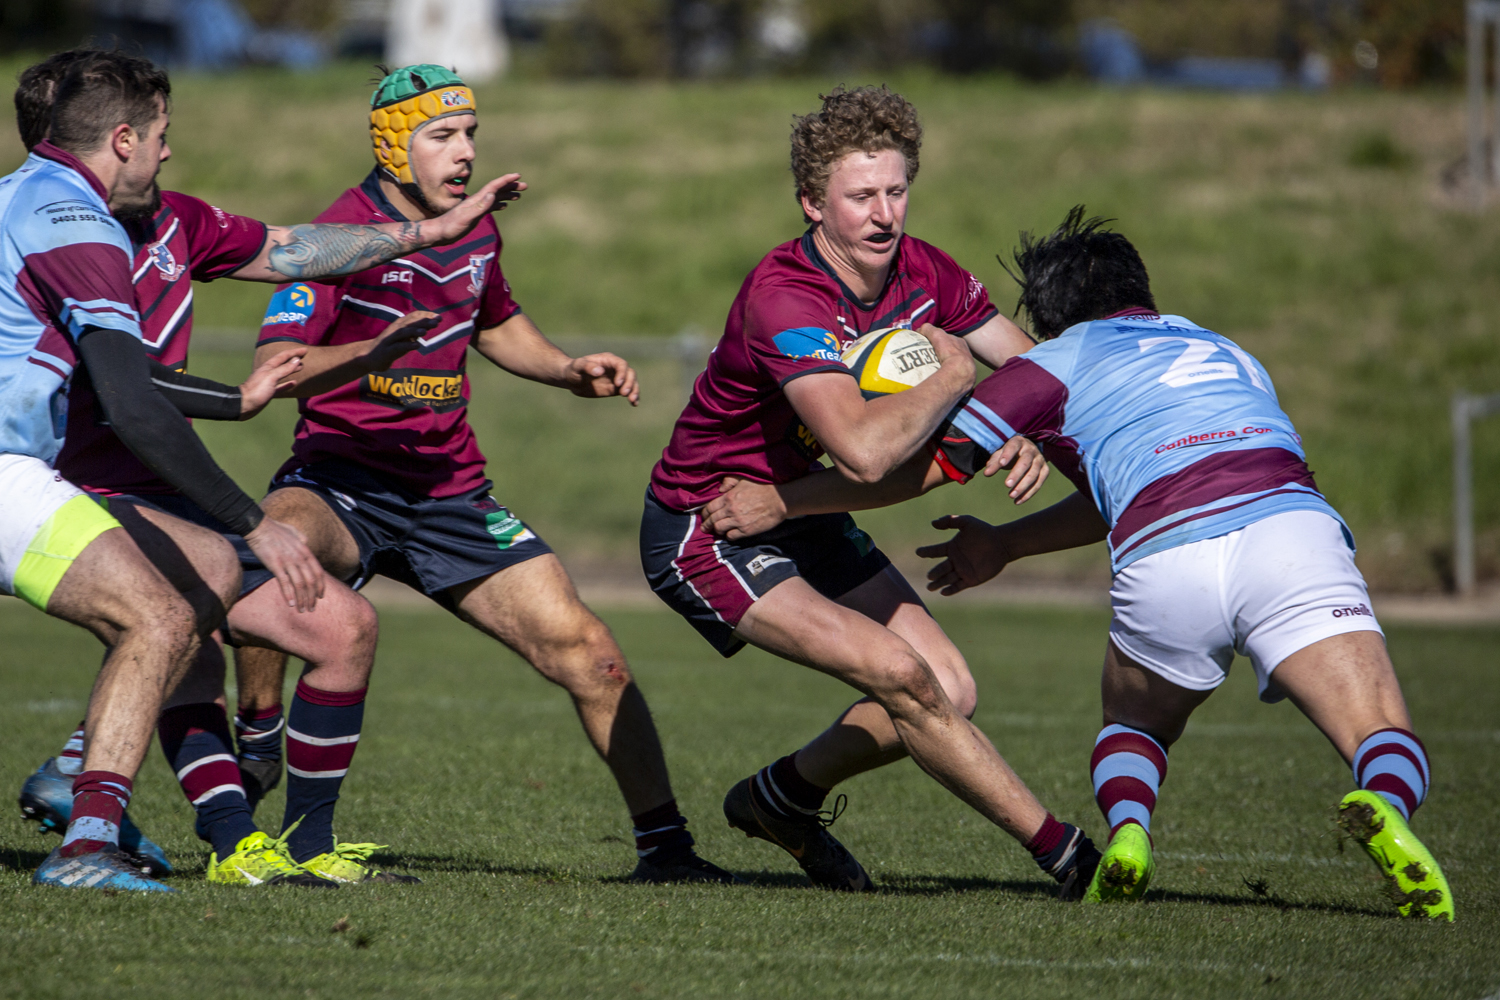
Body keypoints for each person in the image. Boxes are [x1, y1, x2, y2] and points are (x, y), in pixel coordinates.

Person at [703, 207, 1454, 920]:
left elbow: (922, 472)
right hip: (1288, 528)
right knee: (1378, 726)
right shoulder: (1226, 350)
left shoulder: (1052, 362)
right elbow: (1128, 488)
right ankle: (1384, 804)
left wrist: (786, 502)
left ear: (1048, 316)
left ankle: (1128, 833)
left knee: (1135, 729)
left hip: (1168, 554)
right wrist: (1007, 542)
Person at [12, 48, 525, 887]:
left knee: (342, 629)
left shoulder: (174, 220)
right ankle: (201, 834)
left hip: (160, 481)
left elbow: (293, 248)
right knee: (185, 617)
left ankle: (300, 843)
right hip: (75, 483)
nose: (170, 150)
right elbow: (120, 390)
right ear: (113, 138)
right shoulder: (66, 228)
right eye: (159, 134)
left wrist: (426, 232)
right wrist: (239, 411)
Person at [229, 64, 734, 884]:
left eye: (470, 134)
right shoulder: (339, 236)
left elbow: (496, 322)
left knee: (594, 656)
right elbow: (276, 366)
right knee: (272, 547)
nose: (464, 152)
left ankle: (667, 852)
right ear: (395, 147)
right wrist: (369, 353)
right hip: (340, 480)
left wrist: (566, 369)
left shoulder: (475, 230)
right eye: (442, 136)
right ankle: (259, 733)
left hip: (450, 495)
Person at [641, 85, 1101, 896]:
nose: (885, 215)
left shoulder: (927, 271)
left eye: (896, 190)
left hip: (802, 510)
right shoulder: (786, 296)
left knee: (950, 687)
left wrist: (1026, 424)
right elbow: (860, 453)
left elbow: (1039, 372)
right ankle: (1066, 856)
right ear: (811, 203)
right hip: (710, 525)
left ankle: (780, 799)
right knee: (901, 673)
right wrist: (956, 377)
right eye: (861, 197)